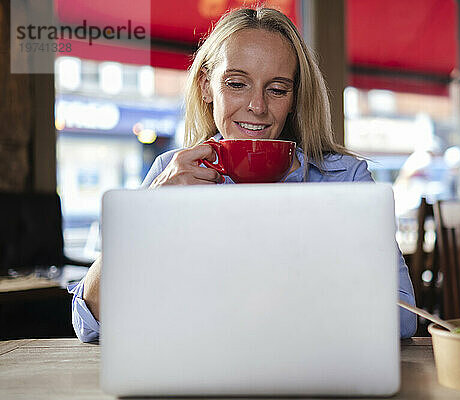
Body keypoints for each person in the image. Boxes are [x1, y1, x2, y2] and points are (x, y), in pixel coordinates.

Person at [68, 7, 416, 342]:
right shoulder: (173, 174)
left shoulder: (345, 179)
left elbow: (402, 315)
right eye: (237, 83)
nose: (258, 106)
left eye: (277, 89)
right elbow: (90, 320)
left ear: (294, 98)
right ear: (206, 86)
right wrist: (143, 216)